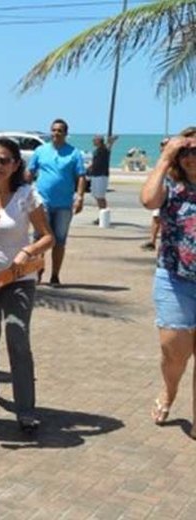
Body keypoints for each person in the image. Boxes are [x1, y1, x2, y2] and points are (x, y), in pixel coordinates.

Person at [0, 137, 55, 432]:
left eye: (4, 160)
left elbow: (47, 236)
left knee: (17, 339)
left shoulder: (26, 195)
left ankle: (26, 410)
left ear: (16, 164)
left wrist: (27, 251)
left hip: (19, 279)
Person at [140, 126, 196, 438]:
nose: (190, 158)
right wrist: (164, 157)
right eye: (185, 151)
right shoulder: (172, 186)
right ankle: (170, 390)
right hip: (175, 278)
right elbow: (148, 200)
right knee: (174, 350)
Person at [27, 119, 87, 286]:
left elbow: (81, 176)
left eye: (60, 130)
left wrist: (80, 197)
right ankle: (37, 273)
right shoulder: (40, 150)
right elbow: (30, 173)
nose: (56, 133)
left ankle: (55, 275)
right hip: (42, 201)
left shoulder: (74, 153)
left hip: (64, 205)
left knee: (59, 240)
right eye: (53, 130)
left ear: (65, 133)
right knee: (40, 239)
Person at [142, 138, 169, 252]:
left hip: (170, 192)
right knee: (156, 217)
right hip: (160, 192)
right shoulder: (161, 160)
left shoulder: (176, 160)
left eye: (166, 144)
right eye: (162, 144)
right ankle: (152, 241)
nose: (163, 146)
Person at [87, 134, 118, 222]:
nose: (93, 141)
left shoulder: (103, 149)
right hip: (95, 175)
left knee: (100, 196)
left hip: (101, 175)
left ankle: (103, 215)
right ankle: (102, 214)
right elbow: (95, 162)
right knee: (96, 196)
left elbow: (109, 146)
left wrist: (112, 141)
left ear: (99, 141)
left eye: (94, 139)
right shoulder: (96, 151)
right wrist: (89, 168)